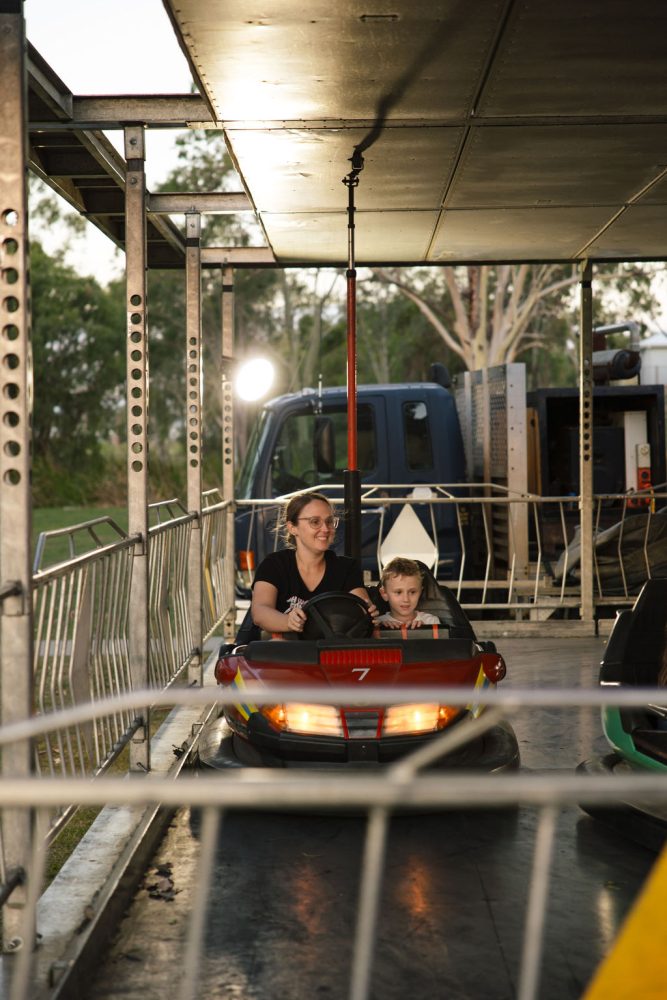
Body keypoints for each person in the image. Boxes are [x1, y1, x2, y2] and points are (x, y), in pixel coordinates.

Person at [251, 492, 377, 636]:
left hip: (332, 647)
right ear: (292, 527)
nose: (325, 529)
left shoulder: (346, 567)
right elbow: (260, 612)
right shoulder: (274, 565)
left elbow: (361, 606)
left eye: (329, 522)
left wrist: (367, 611)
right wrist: (288, 622)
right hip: (285, 646)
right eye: (315, 522)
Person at [376, 557, 440, 630]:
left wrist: (424, 631)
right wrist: (381, 630)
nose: (406, 599)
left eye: (412, 592)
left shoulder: (431, 622)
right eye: (398, 592)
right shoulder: (377, 623)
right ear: (384, 593)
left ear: (420, 592)